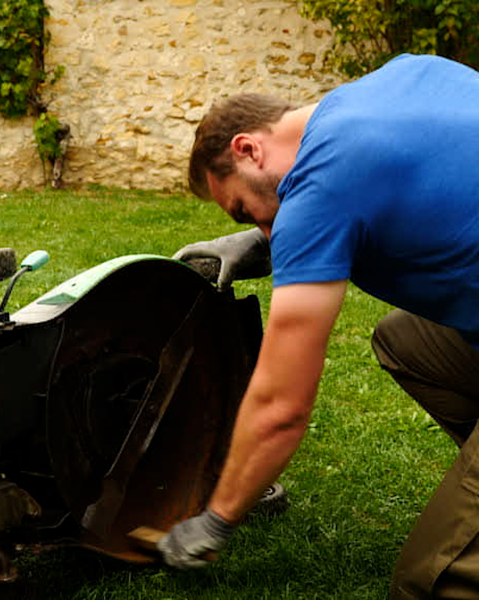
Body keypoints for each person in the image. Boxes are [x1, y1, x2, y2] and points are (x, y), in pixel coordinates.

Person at [159, 53, 479, 599]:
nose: (263, 225)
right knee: (403, 341)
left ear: (248, 148)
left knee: (428, 582)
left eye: (245, 212)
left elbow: (282, 408)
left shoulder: (321, 185)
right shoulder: (403, 76)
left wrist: (217, 518)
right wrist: (270, 240)